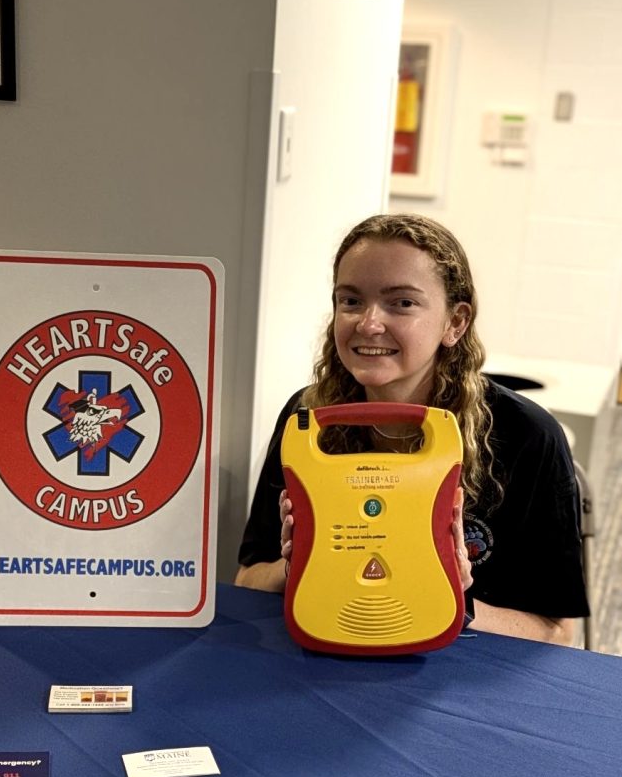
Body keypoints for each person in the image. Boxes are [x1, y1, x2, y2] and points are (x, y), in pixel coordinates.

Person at [235, 213, 588, 645]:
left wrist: (458, 602)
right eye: (350, 301)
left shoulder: (527, 436)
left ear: (455, 323)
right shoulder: (308, 421)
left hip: (464, 676)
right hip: (325, 650)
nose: (367, 323)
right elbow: (248, 578)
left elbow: (556, 632)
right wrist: (294, 567)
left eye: (401, 303)